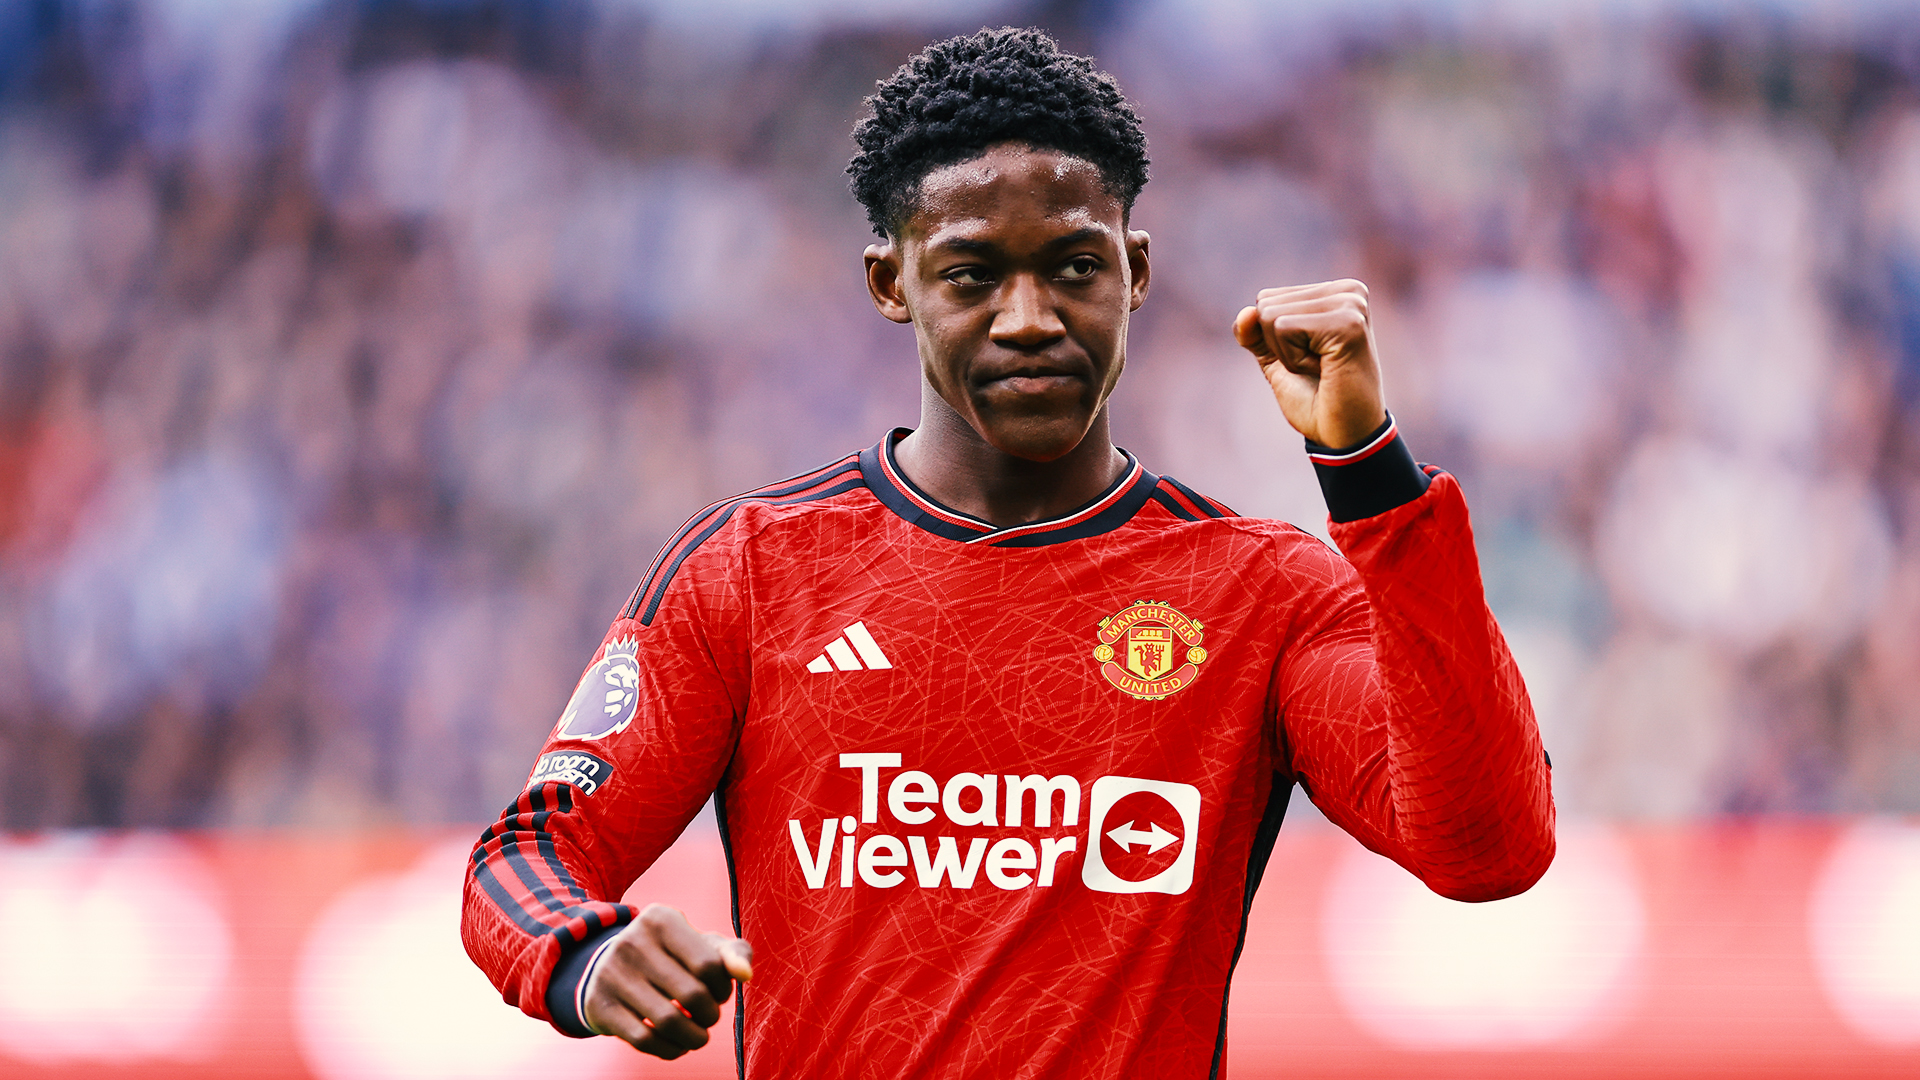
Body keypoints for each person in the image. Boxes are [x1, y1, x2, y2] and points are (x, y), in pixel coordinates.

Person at [461, 26, 1554, 1078]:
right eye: (972, 275)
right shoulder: (755, 569)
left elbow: (1487, 850)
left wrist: (1368, 470)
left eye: (1074, 267)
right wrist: (585, 954)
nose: (1029, 317)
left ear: (1134, 270)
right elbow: (525, 859)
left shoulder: (1259, 591)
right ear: (893, 285)